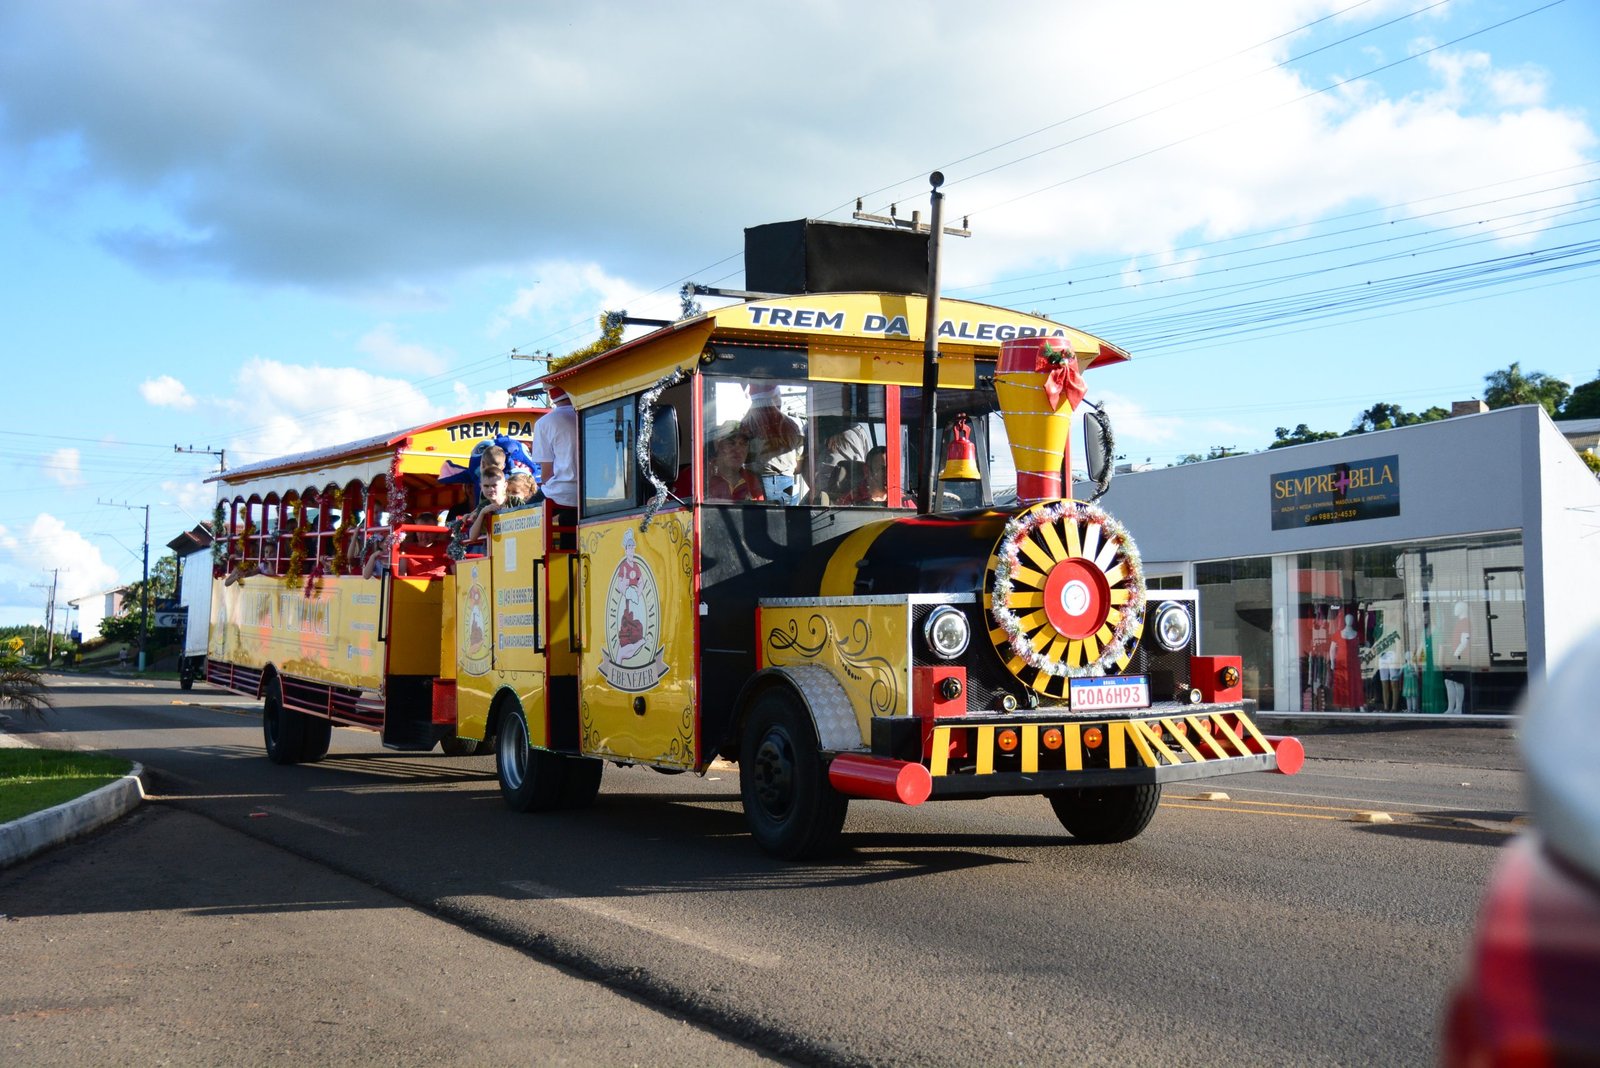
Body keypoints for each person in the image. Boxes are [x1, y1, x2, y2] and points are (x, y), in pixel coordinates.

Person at [740, 383, 805, 504]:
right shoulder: (791, 425)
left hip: (752, 480)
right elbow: (799, 465)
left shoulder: (747, 424)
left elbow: (743, 457)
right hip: (784, 479)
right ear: (774, 399)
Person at [529, 386, 579, 511]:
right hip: (593, 492)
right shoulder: (589, 414)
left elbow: (547, 475)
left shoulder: (543, 423)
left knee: (520, 516)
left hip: (561, 493)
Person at [704, 421, 765, 501]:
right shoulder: (699, 477)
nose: (738, 450)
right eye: (731, 443)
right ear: (717, 445)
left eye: (743, 444)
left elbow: (758, 512)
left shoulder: (752, 480)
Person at [838, 446, 915, 507]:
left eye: (891, 469)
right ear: (867, 470)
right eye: (882, 469)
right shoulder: (851, 499)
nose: (888, 474)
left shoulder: (903, 500)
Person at [1444, 601, 1471, 714]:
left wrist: (1455, 654)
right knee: (1449, 681)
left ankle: (1457, 708)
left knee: (1457, 682)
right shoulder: (1460, 622)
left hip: (1460, 656)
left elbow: (1465, 642)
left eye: (1457, 607)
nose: (1455, 609)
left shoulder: (1465, 623)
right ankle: (1451, 708)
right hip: (1456, 654)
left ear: (1463, 609)